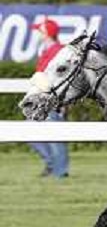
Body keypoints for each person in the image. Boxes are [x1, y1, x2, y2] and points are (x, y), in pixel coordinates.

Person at [29, 18, 70, 178]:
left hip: (53, 100)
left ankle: (60, 172)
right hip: (42, 99)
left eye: (39, 30)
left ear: (46, 33)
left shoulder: (59, 51)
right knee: (29, 131)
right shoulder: (48, 50)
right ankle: (53, 165)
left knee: (55, 137)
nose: (37, 33)